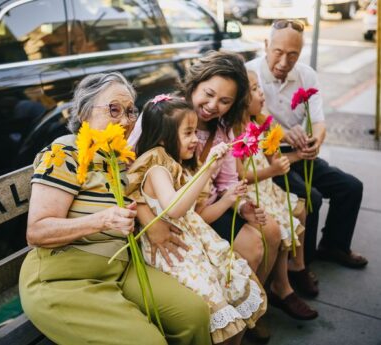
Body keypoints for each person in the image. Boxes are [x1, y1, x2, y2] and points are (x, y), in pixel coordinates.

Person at [19, 72, 212, 345]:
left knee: (195, 314)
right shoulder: (65, 152)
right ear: (86, 112)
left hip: (120, 270)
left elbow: (145, 196)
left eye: (131, 111)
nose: (125, 120)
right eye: (114, 110)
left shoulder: (121, 158)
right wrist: (102, 220)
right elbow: (37, 232)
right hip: (64, 279)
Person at [129, 52, 281, 286]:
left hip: (204, 207)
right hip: (167, 211)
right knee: (253, 246)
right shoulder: (162, 113)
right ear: (194, 84)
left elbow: (227, 182)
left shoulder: (222, 129)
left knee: (269, 231)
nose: (212, 106)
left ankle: (264, 298)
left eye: (224, 101)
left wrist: (241, 207)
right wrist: (150, 220)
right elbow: (128, 170)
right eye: (208, 94)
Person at [127, 96, 267, 345]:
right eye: (188, 133)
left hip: (193, 246)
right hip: (174, 255)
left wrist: (224, 196)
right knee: (216, 306)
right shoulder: (156, 167)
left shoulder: (173, 166)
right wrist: (208, 167)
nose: (195, 140)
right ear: (162, 136)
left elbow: (192, 213)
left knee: (228, 295)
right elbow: (175, 209)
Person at [246, 20, 368, 274]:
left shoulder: (306, 75)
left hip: (300, 153)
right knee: (309, 197)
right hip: (270, 159)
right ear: (266, 45)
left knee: (351, 187)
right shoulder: (250, 75)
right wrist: (287, 137)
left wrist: (315, 141)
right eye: (278, 52)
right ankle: (301, 265)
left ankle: (334, 245)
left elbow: (319, 121)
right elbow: (255, 123)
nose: (283, 62)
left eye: (293, 55)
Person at [234, 70, 318, 322]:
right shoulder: (236, 131)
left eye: (260, 87)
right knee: (283, 222)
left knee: (300, 209)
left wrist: (290, 158)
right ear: (240, 98)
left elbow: (274, 156)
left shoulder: (259, 123)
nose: (261, 93)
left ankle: (297, 266)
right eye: (255, 89)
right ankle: (282, 287)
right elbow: (241, 175)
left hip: (268, 187)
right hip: (254, 192)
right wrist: (273, 169)